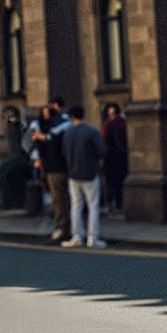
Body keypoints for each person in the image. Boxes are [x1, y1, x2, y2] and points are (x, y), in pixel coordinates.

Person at [61, 105, 107, 249]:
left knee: (76, 205)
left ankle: (77, 237)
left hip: (73, 173)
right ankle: (92, 238)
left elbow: (64, 152)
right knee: (93, 206)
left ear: (71, 117)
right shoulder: (91, 131)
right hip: (90, 172)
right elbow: (102, 150)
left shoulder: (67, 133)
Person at [32, 96, 72, 242]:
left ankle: (63, 228)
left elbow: (52, 139)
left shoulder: (60, 126)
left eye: (48, 111)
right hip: (53, 166)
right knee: (60, 199)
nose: (45, 115)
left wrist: (41, 138)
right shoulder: (51, 126)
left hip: (57, 167)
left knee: (59, 200)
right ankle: (63, 227)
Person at [101, 102, 128, 214]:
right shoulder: (123, 122)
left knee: (110, 182)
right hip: (121, 155)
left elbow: (103, 139)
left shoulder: (109, 124)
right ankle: (119, 204)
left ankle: (112, 205)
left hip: (111, 156)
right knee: (119, 181)